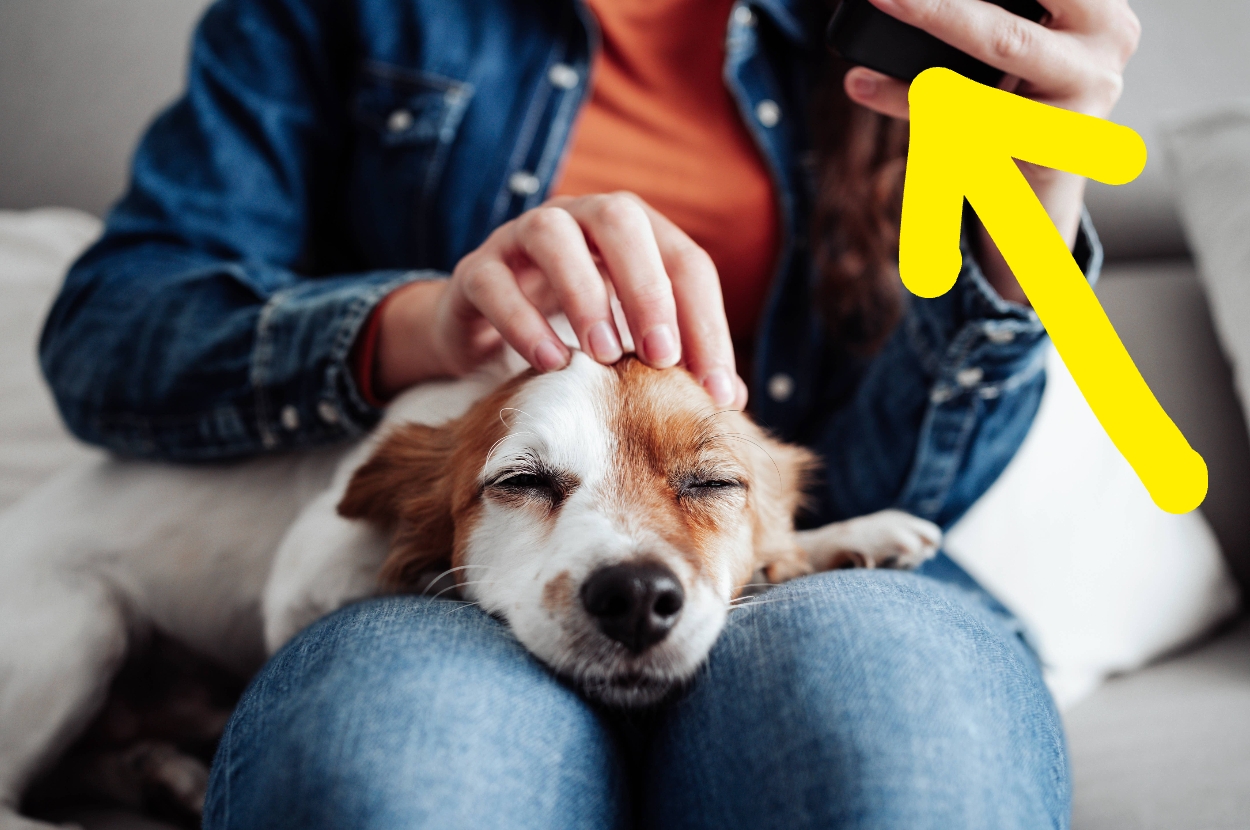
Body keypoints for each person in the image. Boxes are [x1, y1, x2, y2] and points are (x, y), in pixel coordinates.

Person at [39, 0, 1139, 827]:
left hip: (781, 566)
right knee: (403, 768)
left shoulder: (896, 27)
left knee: (898, 750)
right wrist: (427, 323)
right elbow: (104, 337)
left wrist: (1019, 233)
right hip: (452, 589)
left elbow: (902, 485)